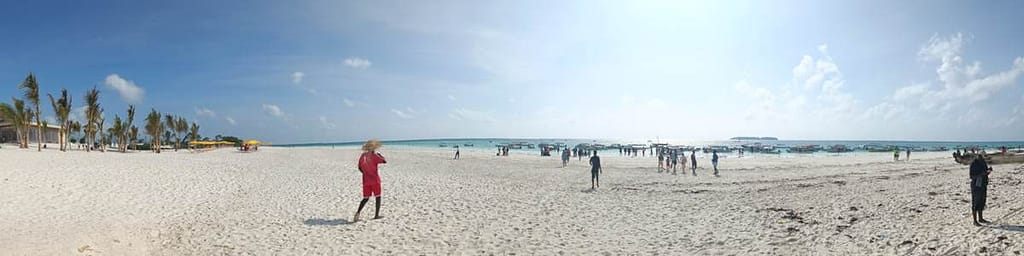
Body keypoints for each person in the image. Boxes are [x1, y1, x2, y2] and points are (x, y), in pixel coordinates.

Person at [353, 139, 387, 222]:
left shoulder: (362, 156)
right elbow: (384, 161)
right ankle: (376, 215)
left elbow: (359, 167)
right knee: (378, 197)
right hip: (375, 180)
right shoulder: (375, 156)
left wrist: (365, 173)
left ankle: (358, 213)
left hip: (366, 180)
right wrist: (379, 154)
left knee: (365, 198)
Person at [969, 156, 993, 226]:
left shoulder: (983, 162)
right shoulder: (973, 163)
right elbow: (971, 176)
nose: (982, 158)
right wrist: (982, 174)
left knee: (982, 201)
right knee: (975, 202)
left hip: (983, 184)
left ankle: (980, 218)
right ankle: (975, 221)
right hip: (976, 185)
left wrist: (988, 171)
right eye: (981, 156)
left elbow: (985, 173)